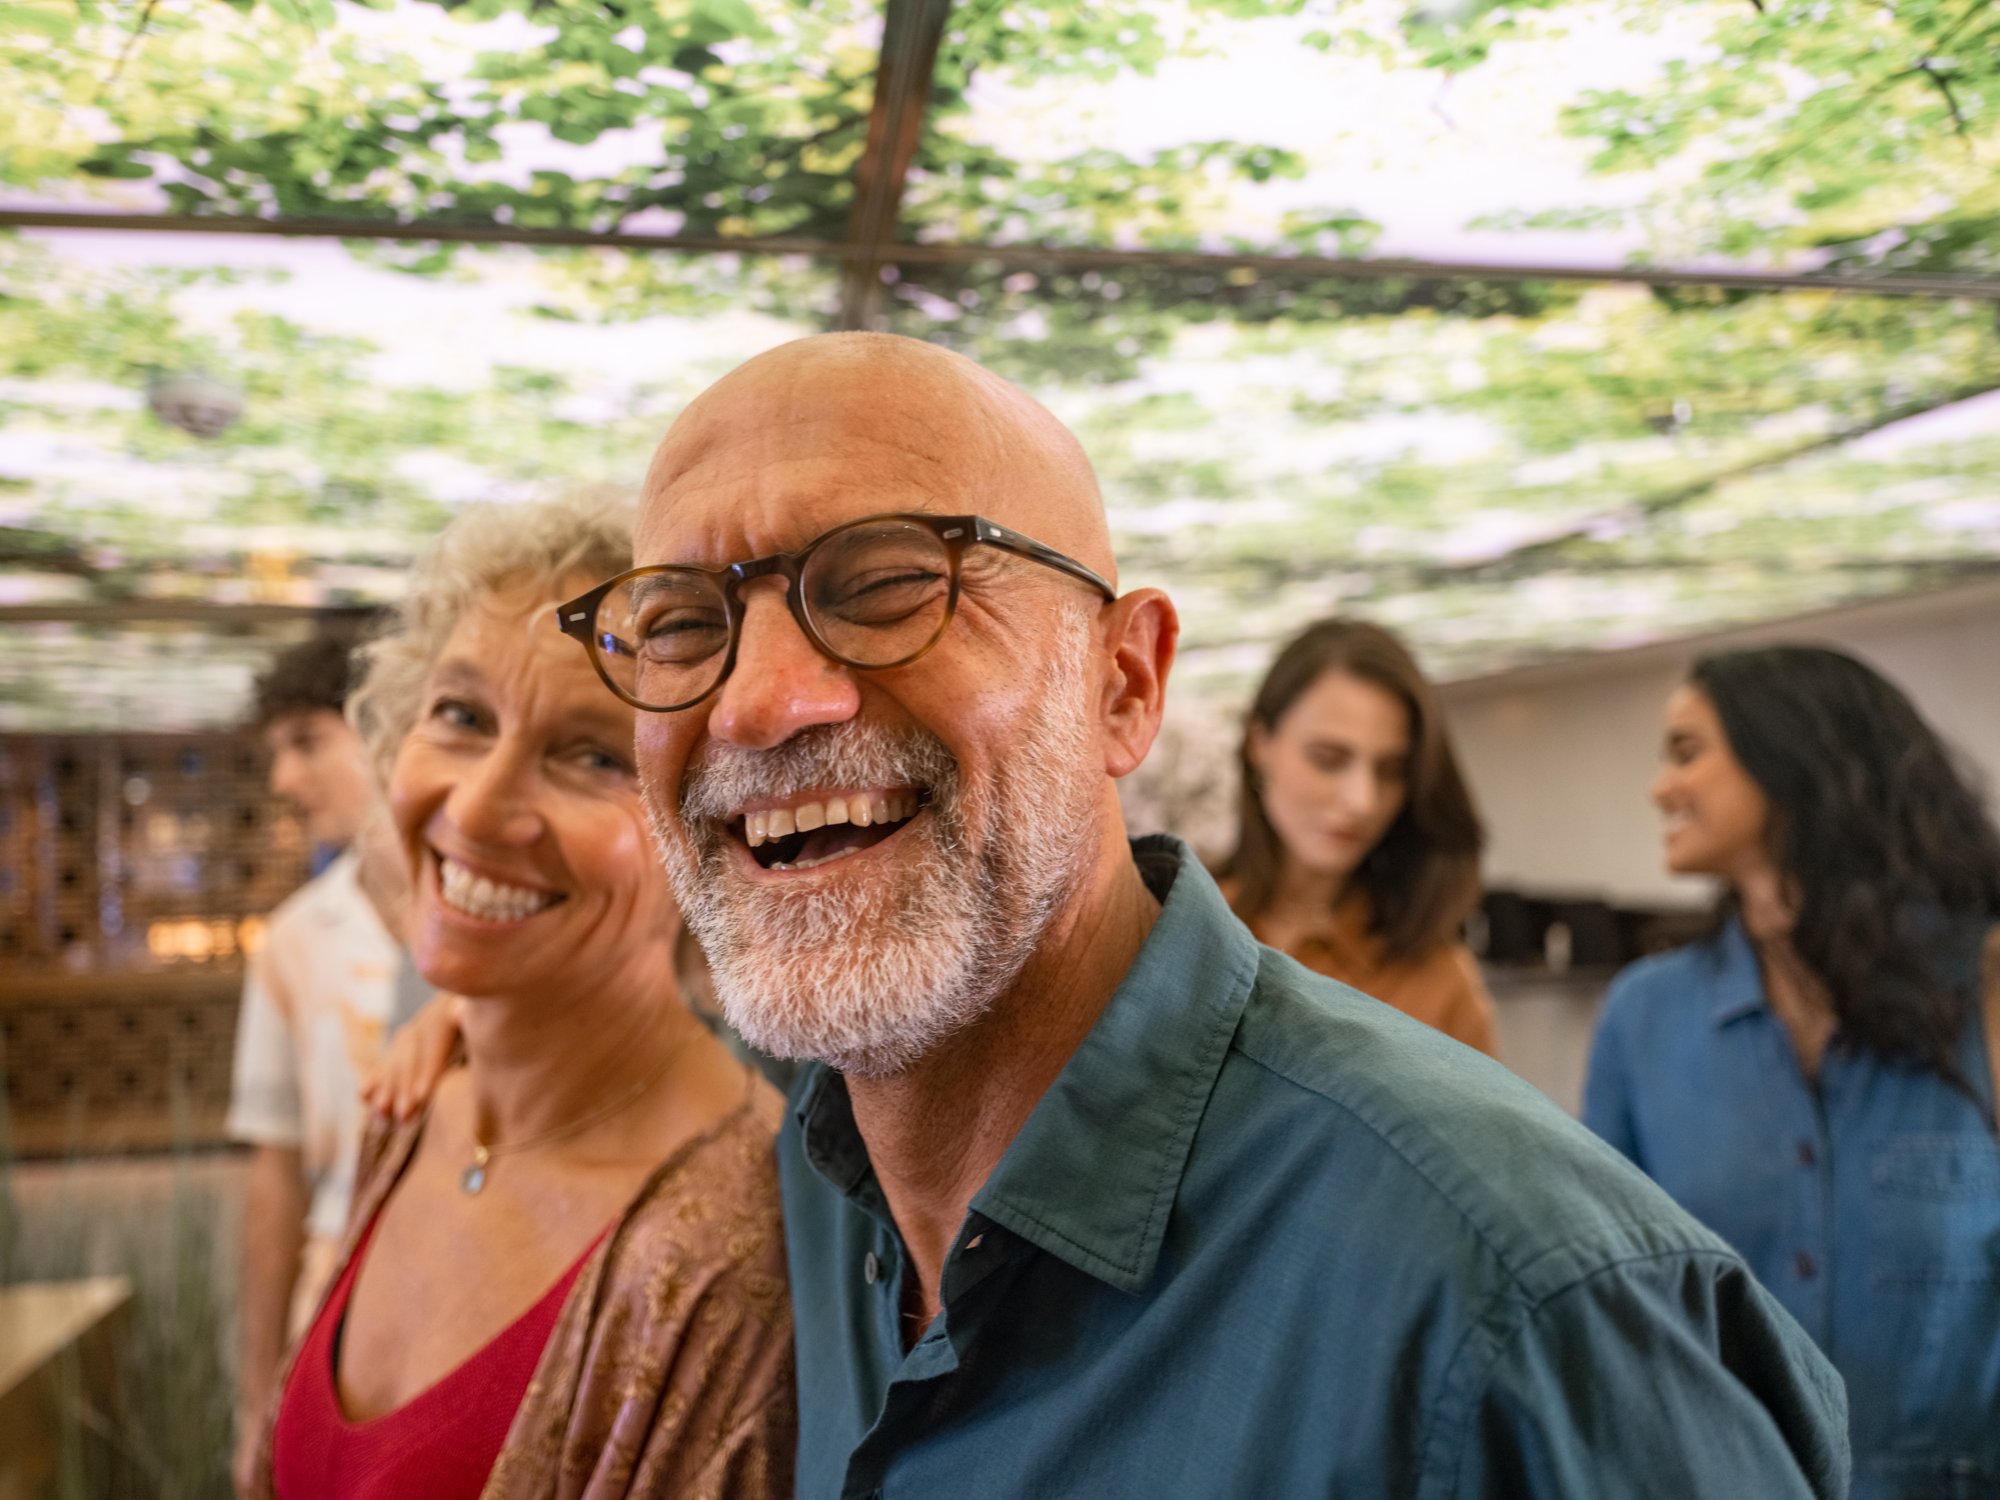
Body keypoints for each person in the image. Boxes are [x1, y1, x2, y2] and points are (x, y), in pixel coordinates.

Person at [583, 332, 1848, 1497]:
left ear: (1122, 685)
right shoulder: (820, 1187)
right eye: (682, 625)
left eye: (884, 586)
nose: (754, 705)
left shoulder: (1519, 1303)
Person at [245, 494, 795, 1498]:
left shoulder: (732, 1254)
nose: (481, 806)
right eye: (460, 716)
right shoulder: (417, 1109)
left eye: (591, 755)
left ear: (717, 825)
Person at [1583, 645, 2000, 1499]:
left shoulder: (1989, 989)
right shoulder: (1643, 1017)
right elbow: (1609, 1308)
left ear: (1793, 755)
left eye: (1687, 751)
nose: (1662, 789)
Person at [228, 633, 410, 1496]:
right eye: (275, 753)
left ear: (383, 724)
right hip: (334, 1313)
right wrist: (256, 1392)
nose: (283, 782)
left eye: (307, 742)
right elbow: (275, 1173)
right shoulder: (293, 942)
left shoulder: (512, 906)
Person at [1216, 617, 1497, 1054]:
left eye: (1390, 772)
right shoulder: (1178, 927)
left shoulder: (1439, 980)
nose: (1362, 801)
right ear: (1260, 744)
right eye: (1328, 759)